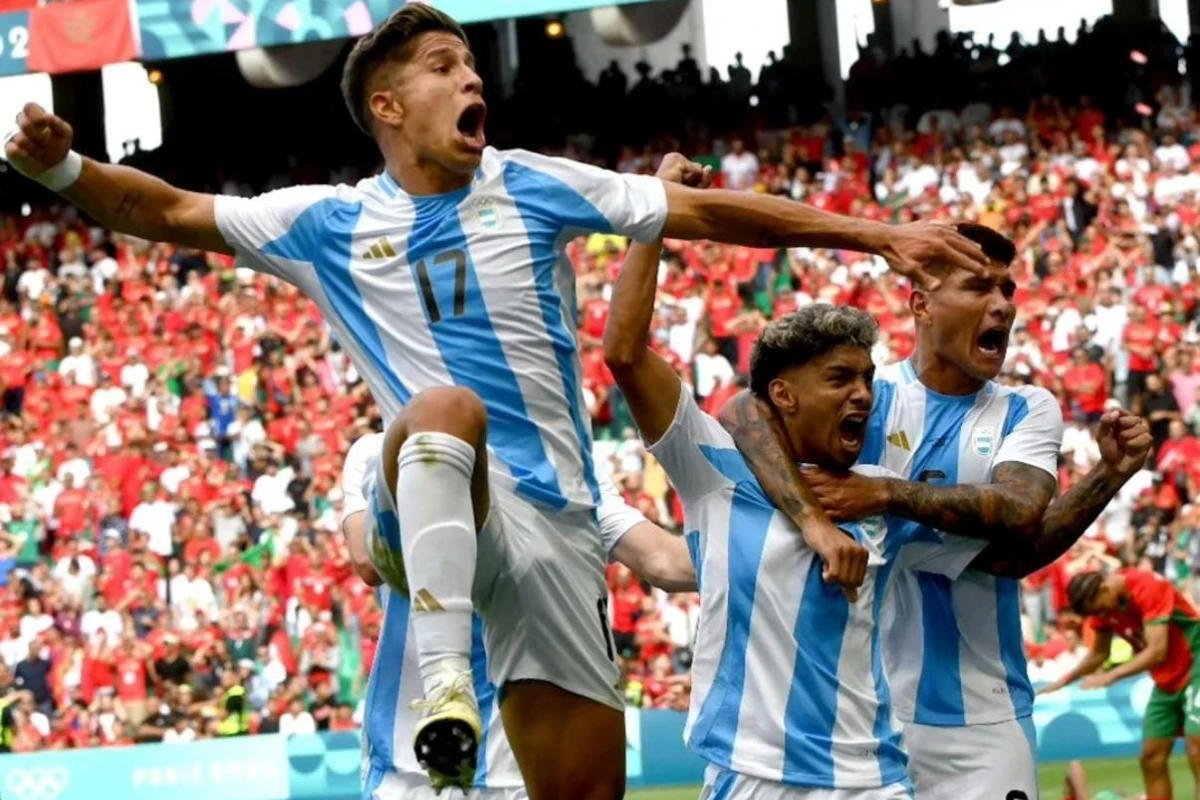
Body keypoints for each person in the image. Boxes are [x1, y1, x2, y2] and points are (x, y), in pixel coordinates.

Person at [3, 5, 988, 794]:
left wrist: (874, 235)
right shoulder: (327, 222)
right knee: (445, 411)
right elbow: (163, 208)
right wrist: (58, 165)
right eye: (443, 64)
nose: (471, 76)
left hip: (560, 526)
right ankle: (444, 684)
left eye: (472, 61)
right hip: (437, 495)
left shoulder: (530, 184)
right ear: (388, 105)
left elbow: (699, 212)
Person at [602, 187, 1026, 799]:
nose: (862, 395)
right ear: (783, 395)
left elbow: (1012, 546)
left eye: (867, 379)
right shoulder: (715, 470)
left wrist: (1103, 479)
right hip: (754, 777)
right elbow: (624, 351)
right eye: (839, 379)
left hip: (874, 781)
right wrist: (653, 212)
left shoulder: (883, 492)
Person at [718, 222, 1154, 800]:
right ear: (921, 304)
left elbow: (1021, 523)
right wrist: (812, 521)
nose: (1001, 306)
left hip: (986, 714)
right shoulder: (866, 397)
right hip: (866, 720)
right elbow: (745, 412)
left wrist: (888, 493)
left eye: (1008, 291)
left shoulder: (1027, 408)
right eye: (980, 288)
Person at [340, 429, 695, 799]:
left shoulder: (565, 464)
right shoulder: (379, 450)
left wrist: (750, 555)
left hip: (518, 772)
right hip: (409, 770)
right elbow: (367, 560)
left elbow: (663, 561)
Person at [1042, 568, 1200, 800]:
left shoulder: (1147, 586)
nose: (1102, 614)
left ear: (1104, 589)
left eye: (1100, 608)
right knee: (1151, 757)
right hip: (1167, 680)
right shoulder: (1102, 608)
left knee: (1196, 746)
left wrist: (1111, 676)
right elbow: (1098, 654)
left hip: (1196, 664)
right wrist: (1065, 680)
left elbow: (1157, 651)